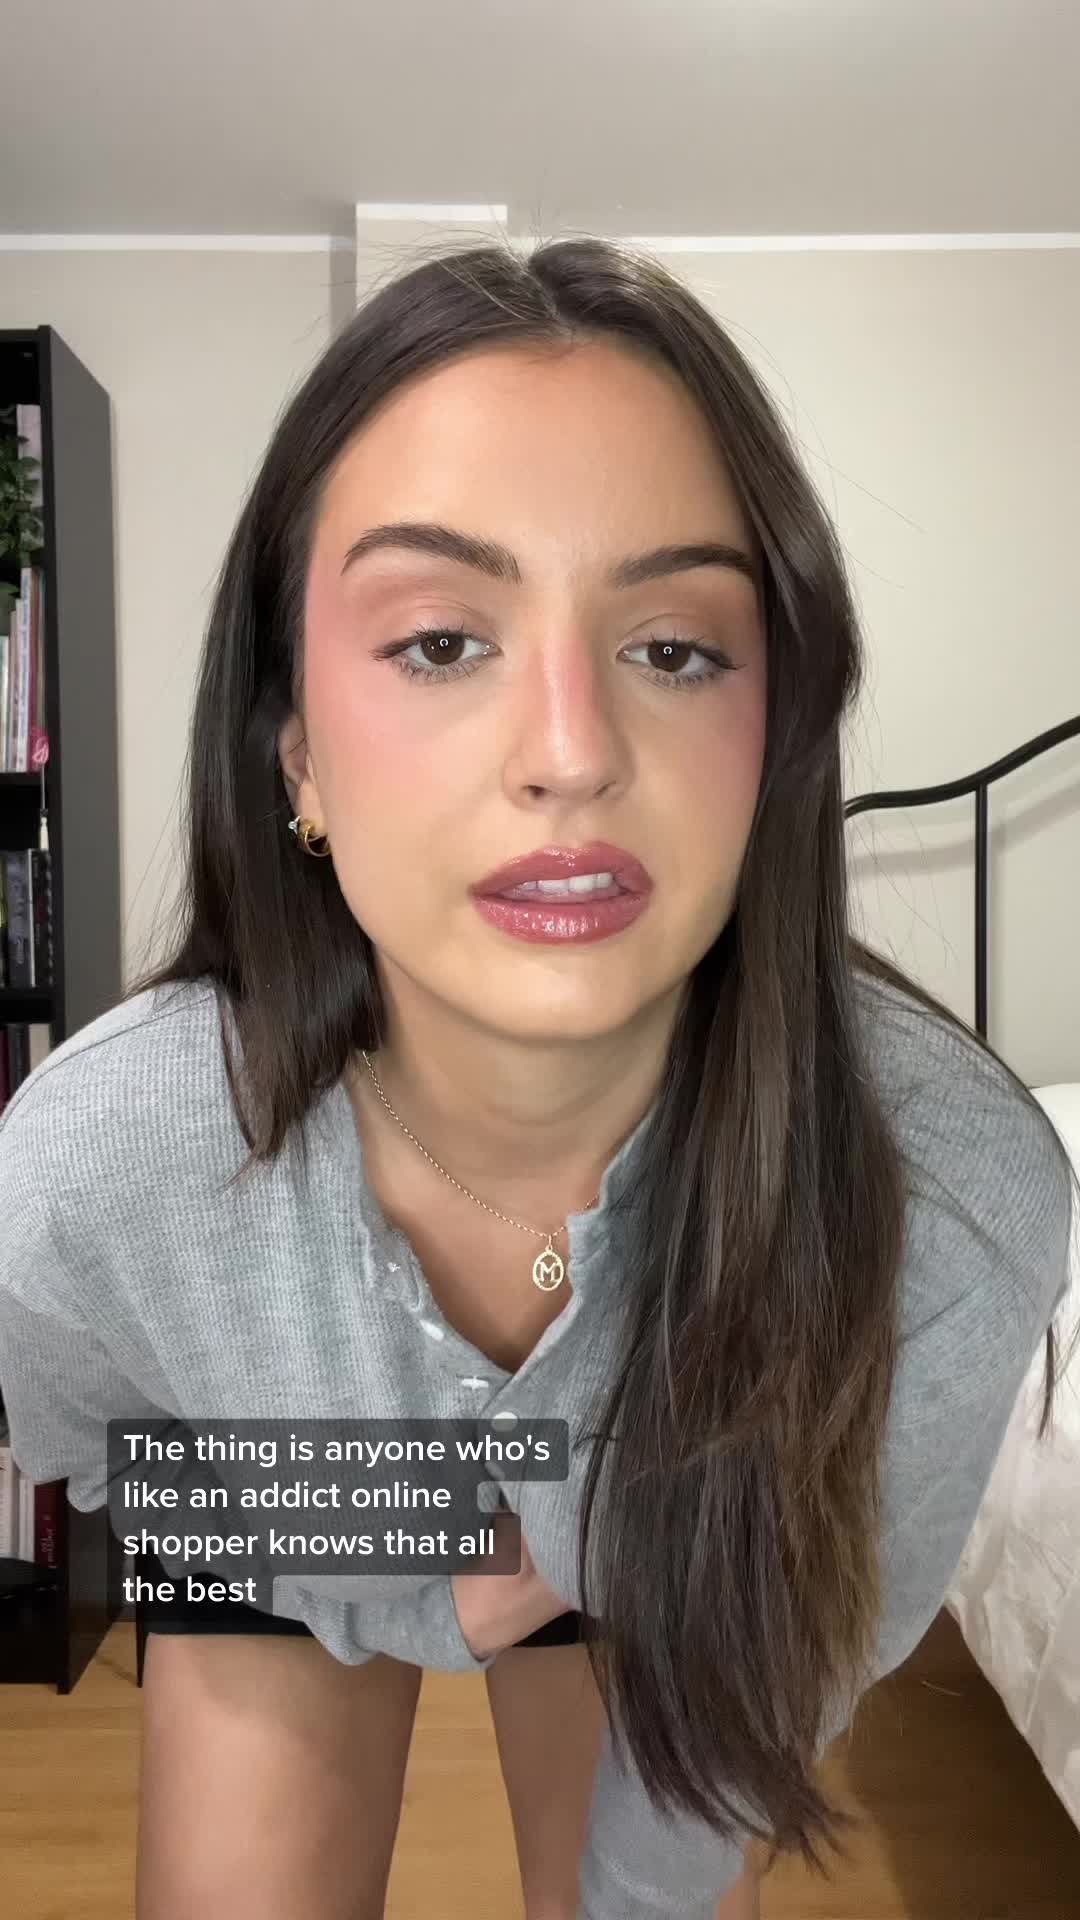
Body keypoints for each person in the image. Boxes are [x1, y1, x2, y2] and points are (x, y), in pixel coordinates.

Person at [0, 233, 1076, 1920]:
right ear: (297, 752)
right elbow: (116, 1457)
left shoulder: (952, 1196)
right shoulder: (94, 1166)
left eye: (676, 649)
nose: (572, 752)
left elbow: (790, 1671)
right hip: (294, 1513)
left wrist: (572, 1557)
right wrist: (418, 1566)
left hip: (684, 1558)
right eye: (441, 641)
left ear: (775, 738)